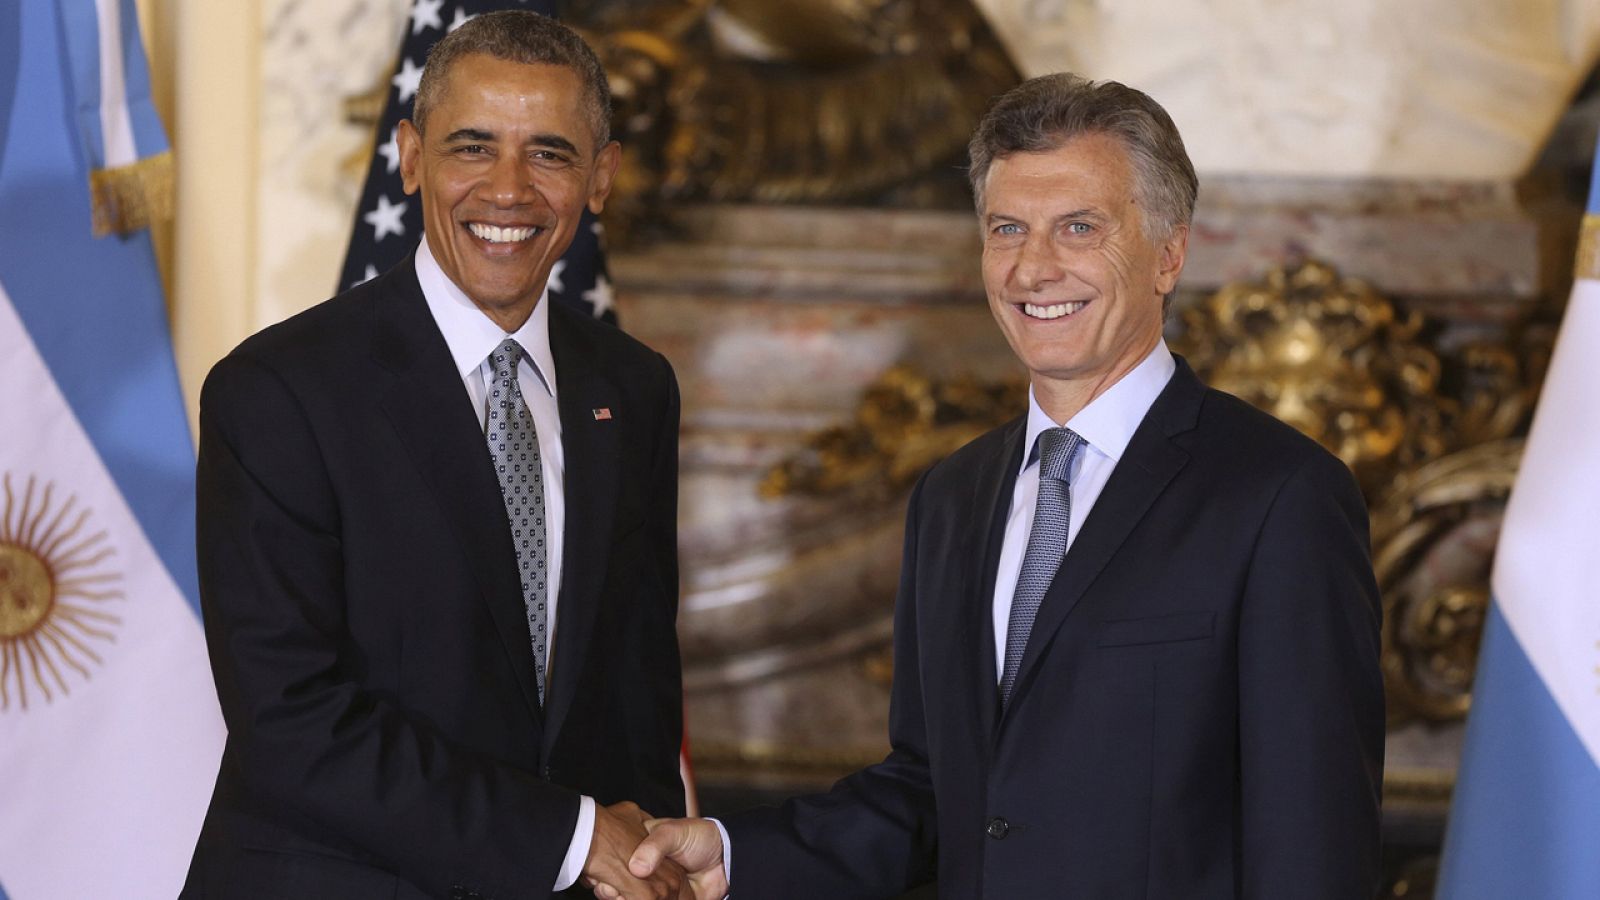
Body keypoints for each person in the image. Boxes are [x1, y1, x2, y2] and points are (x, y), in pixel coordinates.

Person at [624, 73, 1385, 900]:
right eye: (1008, 228)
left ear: (1169, 254)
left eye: (1079, 228)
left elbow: (1314, 843)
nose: (1033, 268)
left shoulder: (1282, 497)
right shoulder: (952, 497)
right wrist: (734, 854)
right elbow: (932, 792)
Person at [183, 12, 688, 900]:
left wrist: (645, 861)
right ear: (410, 158)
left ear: (600, 177)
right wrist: (573, 839)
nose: (508, 190)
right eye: (472, 147)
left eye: (550, 154)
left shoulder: (634, 388)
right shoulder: (277, 392)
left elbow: (636, 691)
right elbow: (290, 718)